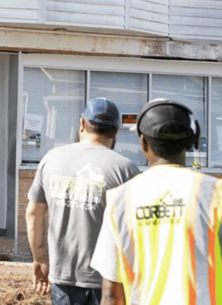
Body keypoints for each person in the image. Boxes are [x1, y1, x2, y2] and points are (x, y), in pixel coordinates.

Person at [90, 99, 222, 305]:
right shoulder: (220, 195)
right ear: (191, 140)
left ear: (143, 143)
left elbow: (112, 295)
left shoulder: (120, 200)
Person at [27, 98, 140, 305]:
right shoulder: (125, 169)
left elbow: (34, 213)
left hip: (63, 277)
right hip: (109, 282)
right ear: (116, 131)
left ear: (81, 124)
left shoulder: (51, 159)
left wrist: (40, 259)